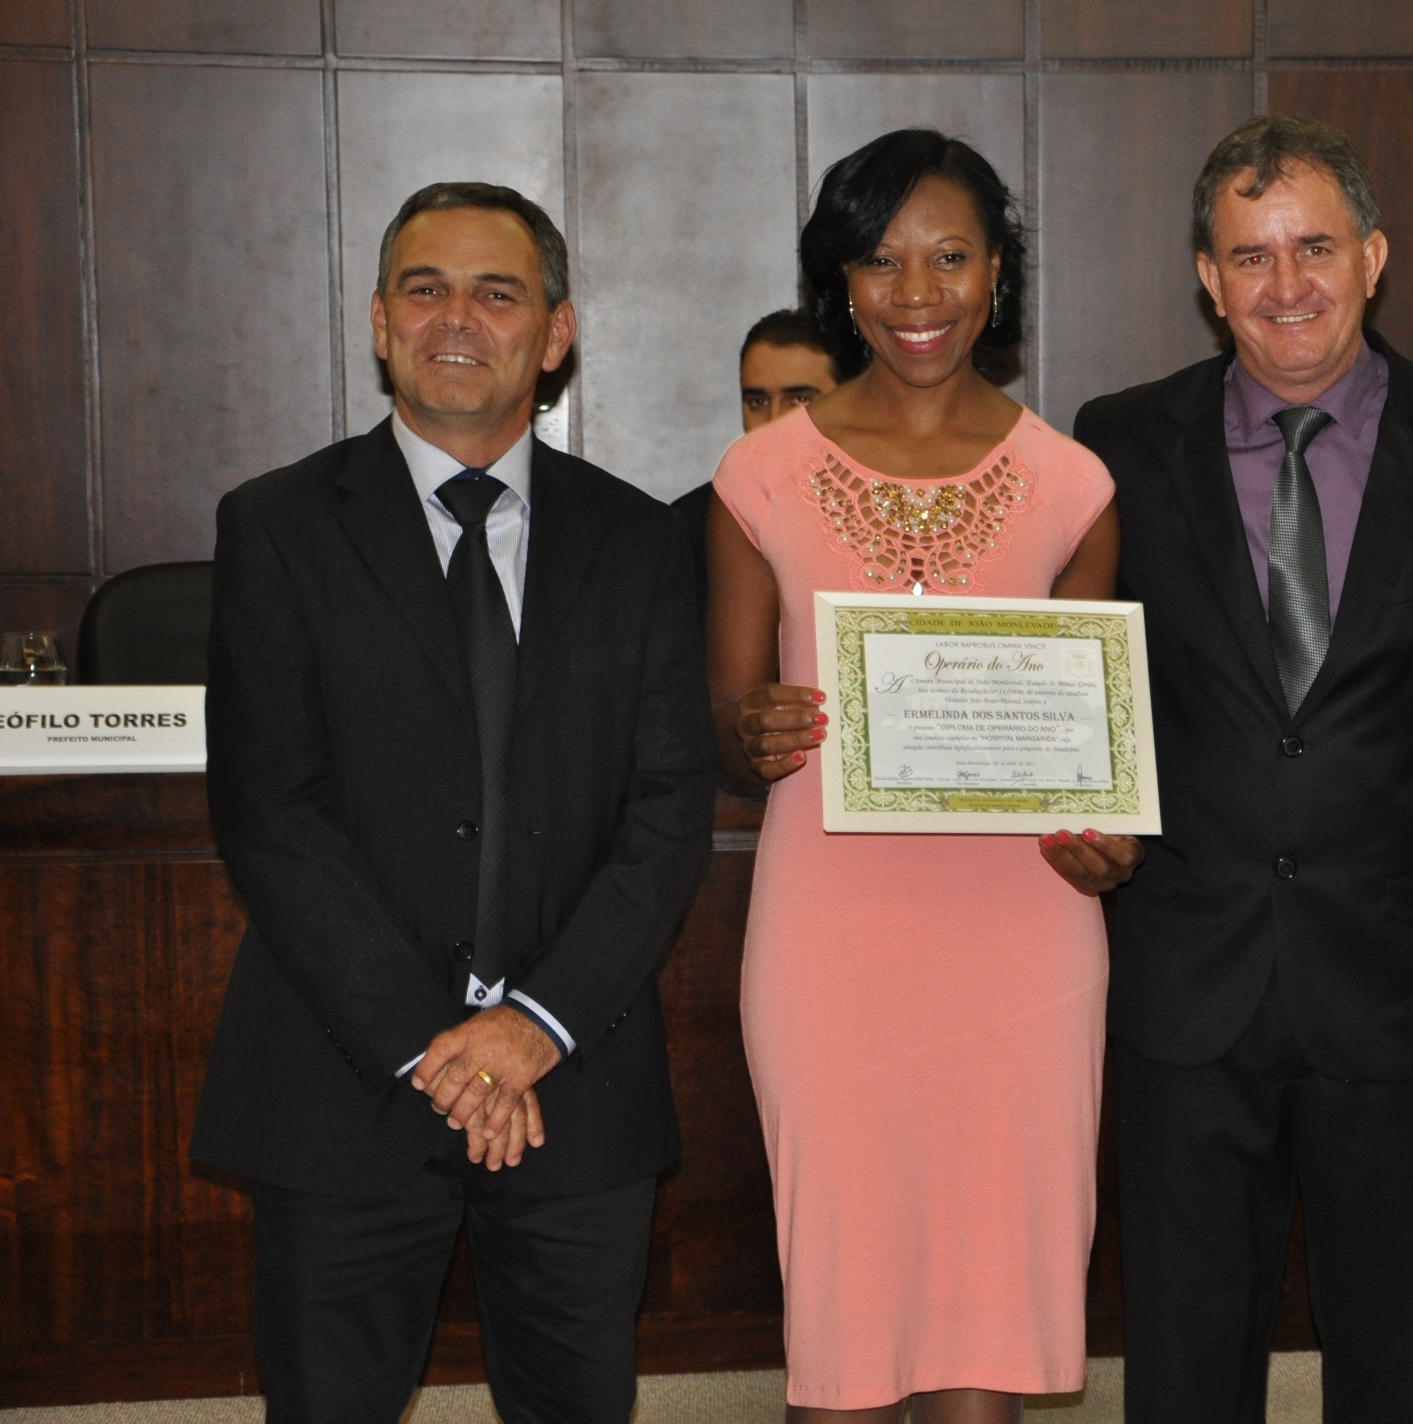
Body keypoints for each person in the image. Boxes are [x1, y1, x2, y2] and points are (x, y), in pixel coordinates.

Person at [190, 182, 715, 1421]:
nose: (457, 318)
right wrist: (437, 1049)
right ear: (379, 321)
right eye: (424, 289)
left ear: (556, 330)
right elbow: (272, 813)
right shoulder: (275, 526)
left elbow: (664, 810)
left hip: (575, 1074)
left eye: (498, 291)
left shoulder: (642, 541)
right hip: (342, 1075)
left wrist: (533, 1025)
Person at [1072, 114, 1413, 1423]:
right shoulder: (1118, 440)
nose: (1286, 284)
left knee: (1389, 1362)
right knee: (1184, 1368)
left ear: (1372, 256)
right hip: (1185, 980)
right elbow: (1076, 665)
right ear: (1207, 279)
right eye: (1250, 256)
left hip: (1399, 976)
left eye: (1314, 246)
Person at [706, 129, 1136, 1423]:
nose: (916, 291)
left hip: (1022, 943)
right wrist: (753, 729)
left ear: (998, 273)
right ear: (840, 280)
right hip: (832, 943)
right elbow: (726, 726)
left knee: (988, 1317)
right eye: (881, 259)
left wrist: (1106, 838)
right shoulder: (759, 478)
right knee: (844, 1317)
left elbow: (1087, 753)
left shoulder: (1073, 485)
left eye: (949, 256)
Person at [674, 309, 840, 623]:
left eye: (799, 400)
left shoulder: (878, 511)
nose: (774, 420)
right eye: (758, 402)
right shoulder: (691, 527)